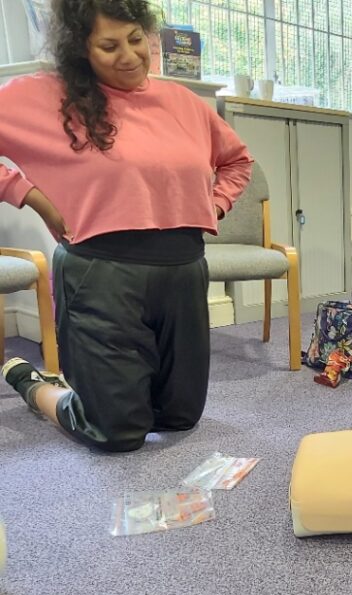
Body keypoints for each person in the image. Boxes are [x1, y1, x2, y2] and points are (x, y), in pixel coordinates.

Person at [0, 0, 253, 452]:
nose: (131, 55)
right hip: (102, 273)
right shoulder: (42, 97)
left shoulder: (182, 102)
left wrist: (212, 206)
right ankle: (32, 383)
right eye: (109, 46)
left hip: (184, 269)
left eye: (136, 39)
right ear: (82, 50)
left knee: (179, 418)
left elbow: (237, 161)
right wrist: (29, 195)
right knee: (116, 432)